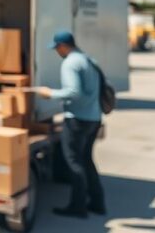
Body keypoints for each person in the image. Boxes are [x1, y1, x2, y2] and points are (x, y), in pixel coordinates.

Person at [37, 30, 106, 219]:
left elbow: (73, 92)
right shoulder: (88, 59)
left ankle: (78, 206)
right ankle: (98, 202)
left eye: (57, 47)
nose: (57, 51)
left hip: (77, 119)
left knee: (73, 162)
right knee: (86, 160)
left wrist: (49, 94)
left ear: (64, 46)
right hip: (94, 118)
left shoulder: (70, 63)